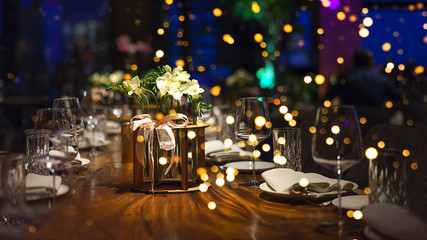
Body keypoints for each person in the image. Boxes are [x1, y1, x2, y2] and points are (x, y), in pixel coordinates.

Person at [327, 49, 401, 108]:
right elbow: (397, 96)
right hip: (376, 120)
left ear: (354, 63)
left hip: (350, 120)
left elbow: (330, 95)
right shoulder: (382, 79)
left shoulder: (345, 78)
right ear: (371, 63)